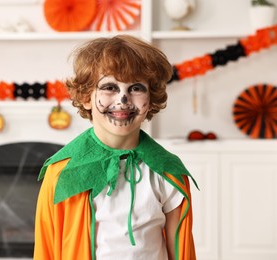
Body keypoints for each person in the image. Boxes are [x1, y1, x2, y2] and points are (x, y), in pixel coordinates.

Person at [34, 35, 197, 260]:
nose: (123, 99)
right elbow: (47, 250)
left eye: (136, 88)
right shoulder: (62, 172)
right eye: (110, 87)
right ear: (86, 98)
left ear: (151, 97)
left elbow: (180, 251)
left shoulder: (168, 172)